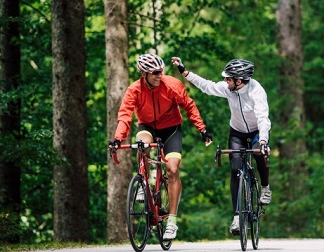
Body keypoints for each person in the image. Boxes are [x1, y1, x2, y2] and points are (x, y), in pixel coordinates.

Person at [109, 53, 213, 240]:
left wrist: (202, 129)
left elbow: (189, 106)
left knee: (172, 169)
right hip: (147, 126)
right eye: (155, 72)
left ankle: (172, 221)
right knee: (143, 144)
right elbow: (124, 115)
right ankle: (144, 180)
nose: (160, 75)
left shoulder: (172, 85)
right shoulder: (134, 90)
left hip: (171, 129)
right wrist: (118, 139)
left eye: (161, 71)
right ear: (144, 74)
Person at [171, 57, 271, 235]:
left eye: (228, 79)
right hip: (237, 132)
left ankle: (265, 188)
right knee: (235, 169)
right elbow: (207, 86)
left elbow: (263, 118)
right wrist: (185, 73)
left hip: (257, 132)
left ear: (239, 81)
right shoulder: (229, 89)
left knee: (258, 153)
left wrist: (263, 141)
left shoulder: (257, 92)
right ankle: (237, 217)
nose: (225, 81)